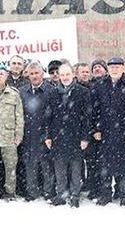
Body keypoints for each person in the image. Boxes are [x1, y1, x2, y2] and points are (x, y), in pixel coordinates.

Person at [91, 57, 125, 206]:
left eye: (117, 67)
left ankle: (124, 194)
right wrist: (96, 128)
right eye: (111, 67)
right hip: (106, 131)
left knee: (124, 165)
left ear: (123, 68)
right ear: (108, 69)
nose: (114, 69)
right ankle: (106, 194)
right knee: (105, 164)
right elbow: (95, 109)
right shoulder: (100, 84)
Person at [47, 63, 91, 207]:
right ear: (58, 76)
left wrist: (85, 137)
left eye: (67, 74)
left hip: (76, 137)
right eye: (62, 75)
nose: (65, 77)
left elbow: (87, 117)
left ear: (73, 75)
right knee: (59, 169)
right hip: (58, 137)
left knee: (76, 169)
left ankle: (75, 195)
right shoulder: (53, 93)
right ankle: (61, 194)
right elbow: (48, 116)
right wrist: (48, 136)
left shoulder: (83, 92)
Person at [0, 66, 23, 202]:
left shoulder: (14, 94)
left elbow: (19, 116)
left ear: (6, 76)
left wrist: (19, 135)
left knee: (11, 165)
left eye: (2, 73)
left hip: (9, 135)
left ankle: (10, 191)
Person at [20, 61, 54, 201]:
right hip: (28, 133)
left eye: (37, 73)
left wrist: (49, 133)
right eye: (31, 73)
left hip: (45, 133)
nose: (34, 76)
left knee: (47, 165)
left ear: (42, 74)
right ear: (28, 75)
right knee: (30, 164)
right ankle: (32, 191)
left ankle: (48, 191)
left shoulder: (51, 90)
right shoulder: (22, 92)